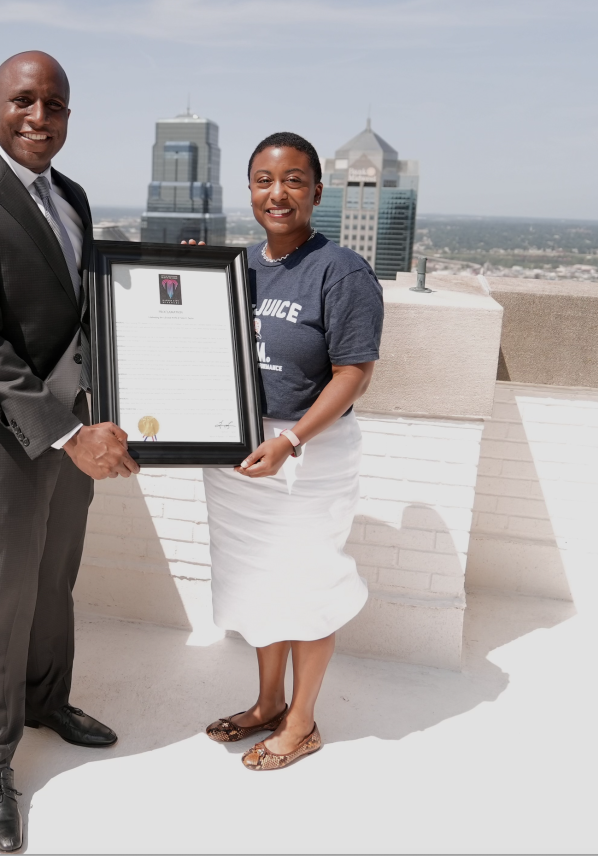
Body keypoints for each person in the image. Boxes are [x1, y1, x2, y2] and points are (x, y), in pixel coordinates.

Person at [0, 51, 139, 852]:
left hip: (71, 430)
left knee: (54, 579)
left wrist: (105, 410)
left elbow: (86, 317)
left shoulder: (71, 196)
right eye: (23, 101)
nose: (39, 116)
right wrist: (69, 432)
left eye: (55, 104)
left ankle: (47, 699)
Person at [194, 132, 383, 770]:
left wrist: (292, 440)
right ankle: (267, 702)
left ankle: (302, 722)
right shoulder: (239, 267)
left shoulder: (342, 271)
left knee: (306, 583)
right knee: (256, 583)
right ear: (250, 190)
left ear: (317, 191)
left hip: (308, 453)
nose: (278, 193)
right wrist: (184, 278)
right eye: (264, 180)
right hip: (239, 452)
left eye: (294, 180)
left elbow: (353, 372)